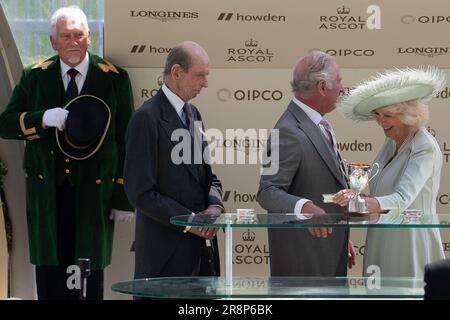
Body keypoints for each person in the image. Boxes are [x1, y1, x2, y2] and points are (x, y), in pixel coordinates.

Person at [0, 6, 134, 300]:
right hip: (48, 191)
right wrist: (41, 118)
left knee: (89, 277)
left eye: (79, 35)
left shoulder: (113, 79)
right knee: (50, 276)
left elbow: (127, 140)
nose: (73, 41)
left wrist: (123, 197)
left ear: (89, 39)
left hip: (94, 194)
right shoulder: (34, 77)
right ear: (53, 42)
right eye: (65, 36)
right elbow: (5, 124)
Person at [124, 41, 224, 282]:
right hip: (165, 257)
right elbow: (140, 192)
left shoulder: (194, 114)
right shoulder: (146, 118)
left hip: (202, 256)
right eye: (200, 75)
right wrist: (190, 222)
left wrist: (214, 207)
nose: (206, 83)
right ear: (177, 72)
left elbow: (208, 177)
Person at [336, 67, 446, 278]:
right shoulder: (391, 142)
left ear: (409, 115)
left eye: (388, 115)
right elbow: (382, 195)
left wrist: (358, 203)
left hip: (410, 241)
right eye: (377, 115)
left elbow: (402, 199)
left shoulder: (425, 147)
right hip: (382, 235)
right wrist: (358, 197)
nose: (381, 121)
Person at [257, 51, 355, 277]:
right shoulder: (287, 131)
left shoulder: (320, 124)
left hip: (327, 252)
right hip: (303, 262)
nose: (342, 87)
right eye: (339, 80)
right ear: (322, 86)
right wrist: (306, 208)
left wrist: (340, 236)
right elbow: (267, 191)